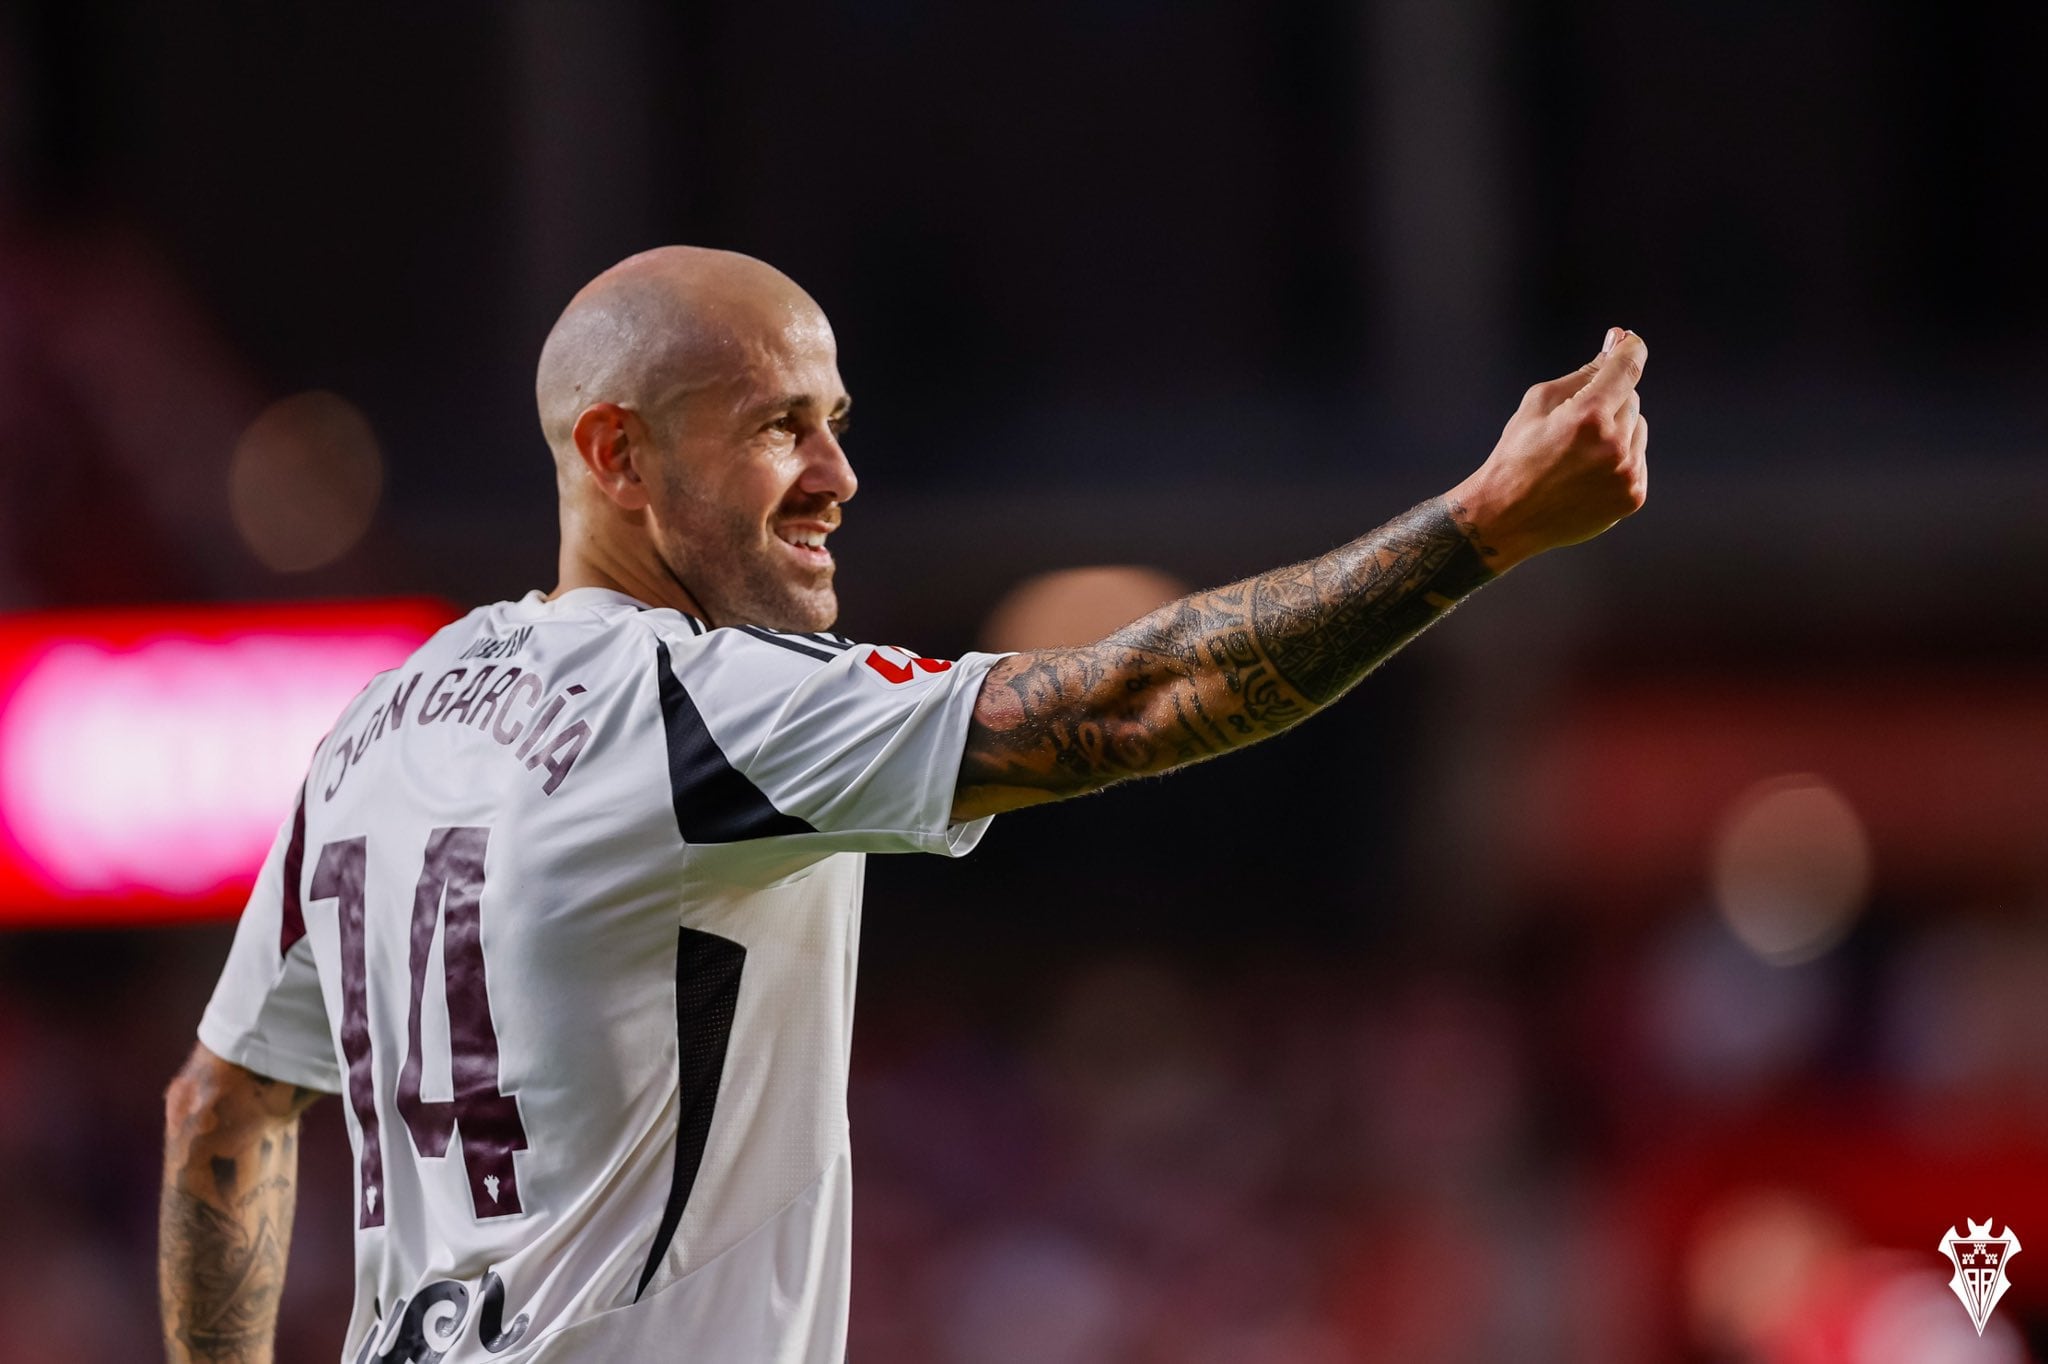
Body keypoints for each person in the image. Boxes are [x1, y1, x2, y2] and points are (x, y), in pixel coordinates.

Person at [159, 245, 1648, 1363]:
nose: (837, 474)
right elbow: (1128, 702)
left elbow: (221, 1108)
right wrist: (1483, 529)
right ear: (617, 454)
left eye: (836, 418)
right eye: (777, 427)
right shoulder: (696, 705)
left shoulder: (372, 733)